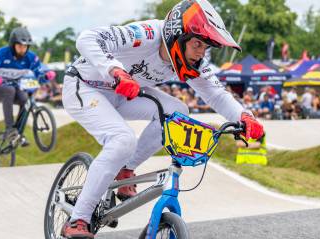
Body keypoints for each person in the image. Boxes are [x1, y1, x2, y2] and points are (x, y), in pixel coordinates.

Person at [60, 0, 264, 238]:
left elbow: (216, 94)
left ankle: (126, 168)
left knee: (177, 113)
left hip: (125, 92)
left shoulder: (191, 61)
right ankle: (78, 219)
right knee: (122, 139)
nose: (201, 52)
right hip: (84, 86)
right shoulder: (146, 34)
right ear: (177, 36)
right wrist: (114, 70)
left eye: (206, 47)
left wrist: (245, 116)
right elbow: (87, 38)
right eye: (198, 44)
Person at [0, 27, 56, 144]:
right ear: (12, 45)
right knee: (9, 90)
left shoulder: (31, 57)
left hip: (14, 87)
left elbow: (39, 74)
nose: (22, 50)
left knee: (25, 99)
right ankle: (10, 129)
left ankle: (18, 132)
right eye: (19, 46)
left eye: (25, 47)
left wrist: (46, 76)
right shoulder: (0, 54)